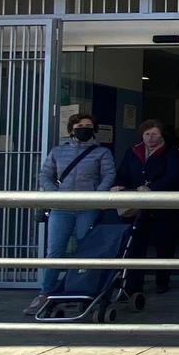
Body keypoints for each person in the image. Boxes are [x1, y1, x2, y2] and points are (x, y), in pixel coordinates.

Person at [26, 113, 116, 316]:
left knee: (86, 250)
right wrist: (55, 195)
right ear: (71, 129)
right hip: (61, 207)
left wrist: (97, 196)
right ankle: (45, 293)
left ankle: (84, 290)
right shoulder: (58, 151)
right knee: (54, 251)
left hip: (87, 207)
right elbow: (45, 175)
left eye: (88, 125)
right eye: (79, 125)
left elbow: (108, 175)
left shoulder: (101, 152)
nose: (84, 128)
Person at [112, 119, 179, 295]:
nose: (151, 138)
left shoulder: (172, 153)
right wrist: (119, 185)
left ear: (162, 135)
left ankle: (162, 281)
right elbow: (123, 173)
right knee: (135, 244)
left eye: (155, 134)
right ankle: (133, 284)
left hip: (163, 206)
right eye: (147, 134)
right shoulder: (133, 152)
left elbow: (175, 176)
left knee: (164, 244)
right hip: (138, 207)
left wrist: (152, 188)